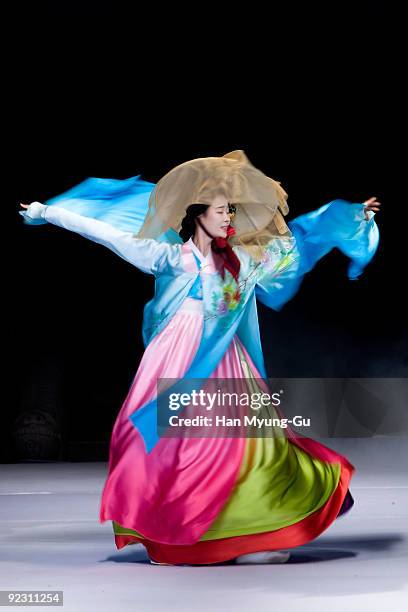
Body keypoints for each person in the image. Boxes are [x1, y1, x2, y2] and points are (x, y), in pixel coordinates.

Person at [19, 150, 381, 565]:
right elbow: (103, 232)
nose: (230, 219)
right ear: (198, 215)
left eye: (231, 211)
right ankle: (178, 535)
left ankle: (249, 534)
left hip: (227, 359)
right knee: (174, 446)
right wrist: (46, 212)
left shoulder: (241, 261)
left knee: (247, 446)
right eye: (222, 211)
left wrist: (353, 219)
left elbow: (298, 244)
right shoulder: (168, 257)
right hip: (177, 356)